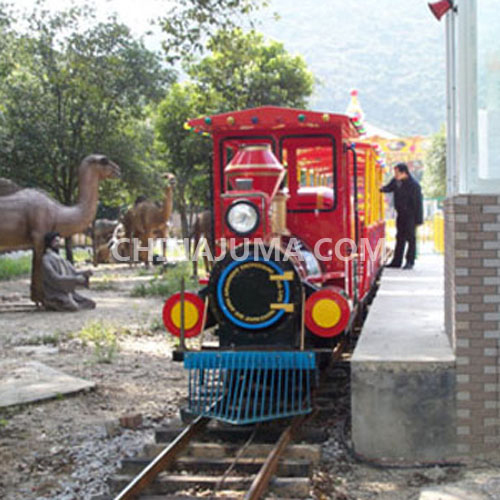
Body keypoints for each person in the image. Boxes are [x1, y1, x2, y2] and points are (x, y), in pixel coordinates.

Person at [380, 163, 423, 270]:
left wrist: (418, 220)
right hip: (400, 214)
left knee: (411, 238)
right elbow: (388, 188)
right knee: (399, 237)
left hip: (411, 215)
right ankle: (396, 261)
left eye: (397, 172)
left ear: (404, 172)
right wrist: (379, 188)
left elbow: (418, 204)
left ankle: (410, 261)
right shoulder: (396, 182)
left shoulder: (414, 185)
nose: (395, 175)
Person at [42, 231, 96, 311]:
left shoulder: (60, 258)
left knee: (90, 304)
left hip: (67, 292)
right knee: (74, 307)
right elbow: (55, 278)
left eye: (58, 241)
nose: (58, 243)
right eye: (55, 241)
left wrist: (85, 273)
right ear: (50, 243)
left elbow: (73, 272)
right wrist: (75, 279)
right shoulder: (46, 259)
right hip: (55, 292)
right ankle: (51, 302)